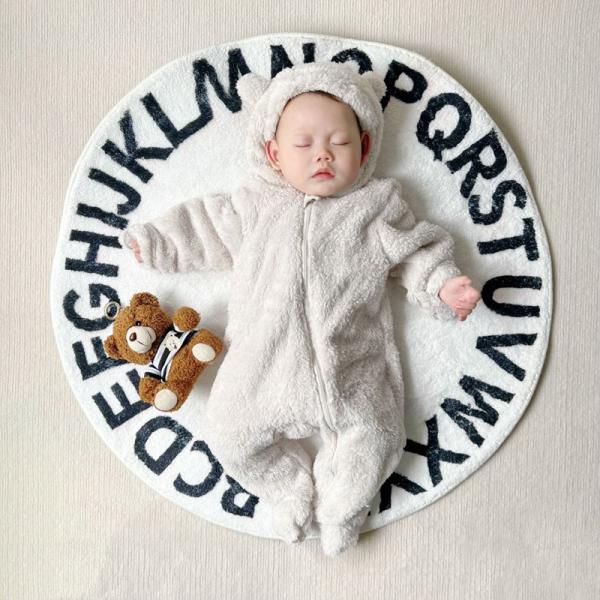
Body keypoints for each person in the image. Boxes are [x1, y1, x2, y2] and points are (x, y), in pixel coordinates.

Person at [121, 62, 481, 556]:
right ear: (273, 153)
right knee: (227, 433)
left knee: (378, 437)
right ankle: (287, 488)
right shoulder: (255, 205)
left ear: (365, 148)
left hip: (351, 367)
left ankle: (343, 510)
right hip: (261, 367)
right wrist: (158, 241)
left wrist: (442, 286)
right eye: (304, 144)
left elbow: (416, 252)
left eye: (339, 142)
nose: (323, 154)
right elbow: (205, 226)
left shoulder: (377, 207)